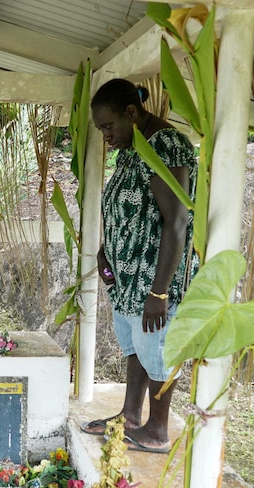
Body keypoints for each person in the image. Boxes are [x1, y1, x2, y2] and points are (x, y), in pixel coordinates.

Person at [79, 78, 198, 454]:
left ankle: (157, 430)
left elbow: (176, 221)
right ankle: (130, 416)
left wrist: (159, 291)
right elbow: (129, 203)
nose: (106, 136)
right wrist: (105, 249)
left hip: (152, 278)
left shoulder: (164, 145)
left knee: (158, 350)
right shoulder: (135, 147)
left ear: (131, 112)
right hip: (128, 277)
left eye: (108, 126)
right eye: (101, 129)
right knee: (135, 346)